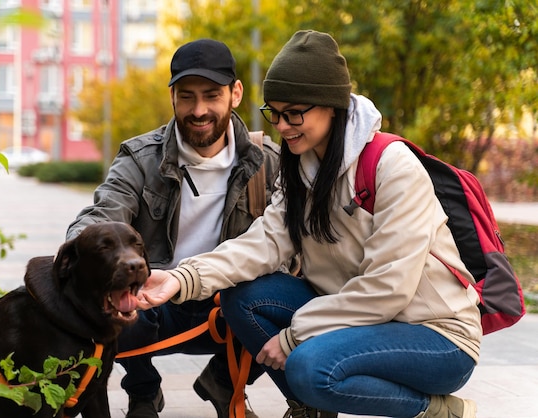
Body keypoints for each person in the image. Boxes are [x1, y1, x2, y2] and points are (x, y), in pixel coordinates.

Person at [136, 30, 482, 418]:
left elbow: (387, 288)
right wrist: (182, 278)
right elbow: (264, 242)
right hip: (360, 321)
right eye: (275, 112)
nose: (282, 126)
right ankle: (311, 407)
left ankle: (435, 410)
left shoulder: (391, 166)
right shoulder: (301, 167)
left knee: (309, 367)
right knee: (244, 296)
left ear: (331, 105)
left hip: (434, 335)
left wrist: (294, 335)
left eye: (294, 113)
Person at [66, 39, 280, 418]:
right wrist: (76, 251)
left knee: (292, 301)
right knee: (105, 299)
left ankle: (224, 381)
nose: (199, 111)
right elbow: (104, 214)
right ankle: (143, 390)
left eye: (211, 96)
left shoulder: (270, 163)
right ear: (173, 97)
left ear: (235, 94)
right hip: (153, 301)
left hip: (228, 304)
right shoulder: (140, 158)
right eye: (187, 97)